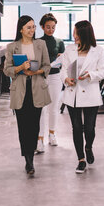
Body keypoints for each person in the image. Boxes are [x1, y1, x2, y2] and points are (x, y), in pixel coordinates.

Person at [3, 15, 51, 175]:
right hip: (20, 91)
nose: (32, 30)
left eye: (33, 27)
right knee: (23, 126)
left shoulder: (41, 44)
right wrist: (20, 68)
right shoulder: (12, 47)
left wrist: (37, 71)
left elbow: (47, 66)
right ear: (21, 29)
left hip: (37, 88)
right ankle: (28, 160)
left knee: (34, 125)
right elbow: (7, 70)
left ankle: (31, 154)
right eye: (29, 27)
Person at [60, 20, 104, 174]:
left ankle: (88, 147)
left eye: (76, 33)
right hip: (72, 94)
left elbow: (103, 72)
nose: (74, 36)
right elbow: (64, 69)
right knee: (76, 128)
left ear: (84, 34)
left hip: (90, 94)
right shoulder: (69, 50)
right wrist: (66, 79)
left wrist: (90, 75)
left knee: (89, 128)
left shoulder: (98, 51)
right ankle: (81, 159)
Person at [37, 13, 66, 153]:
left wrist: (61, 57)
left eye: (53, 27)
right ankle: (40, 139)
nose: (51, 30)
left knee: (53, 108)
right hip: (41, 77)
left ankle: (52, 134)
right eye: (48, 27)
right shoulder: (37, 42)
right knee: (41, 109)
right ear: (42, 27)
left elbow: (65, 60)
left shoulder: (60, 42)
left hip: (55, 77)